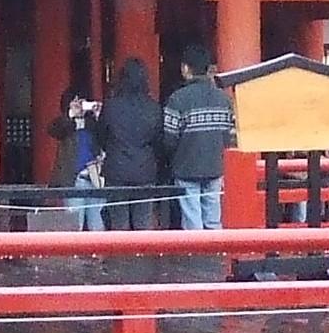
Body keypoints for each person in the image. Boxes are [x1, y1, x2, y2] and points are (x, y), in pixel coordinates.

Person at [162, 43, 236, 229]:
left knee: (192, 220)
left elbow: (169, 139)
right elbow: (229, 136)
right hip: (215, 167)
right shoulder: (224, 99)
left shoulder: (177, 99)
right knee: (213, 219)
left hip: (186, 168)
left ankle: (196, 248)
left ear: (185, 68)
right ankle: (215, 247)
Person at [98, 56, 164, 230]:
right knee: (143, 223)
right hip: (145, 170)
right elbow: (159, 142)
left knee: (119, 224)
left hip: (117, 169)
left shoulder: (111, 106)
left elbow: (100, 136)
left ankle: (120, 249)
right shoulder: (153, 108)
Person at [47, 84, 108, 231]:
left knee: (97, 226)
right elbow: (53, 130)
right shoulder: (65, 124)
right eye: (75, 101)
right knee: (74, 226)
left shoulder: (92, 124)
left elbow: (106, 139)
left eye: (82, 101)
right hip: (74, 180)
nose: (80, 105)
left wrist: (99, 116)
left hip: (95, 179)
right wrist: (71, 114)